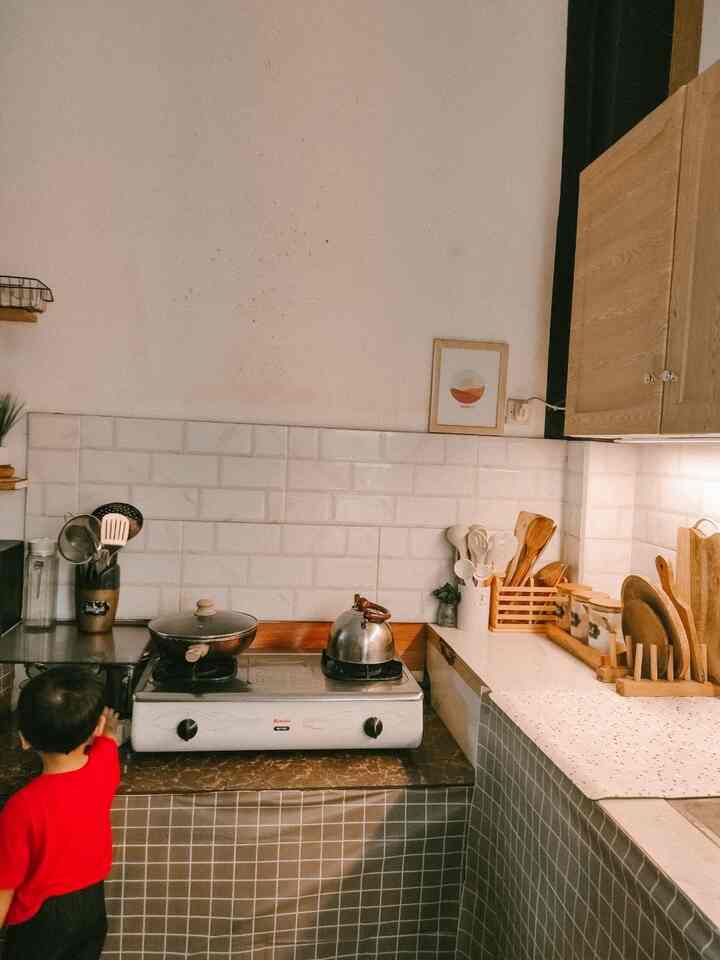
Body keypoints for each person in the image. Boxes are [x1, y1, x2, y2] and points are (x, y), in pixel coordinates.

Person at [0, 667, 122, 960]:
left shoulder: (22, 807)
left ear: (24, 739)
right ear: (93, 729)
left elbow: (5, 885)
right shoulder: (103, 766)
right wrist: (106, 732)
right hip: (91, 906)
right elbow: (109, 743)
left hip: (41, 919)